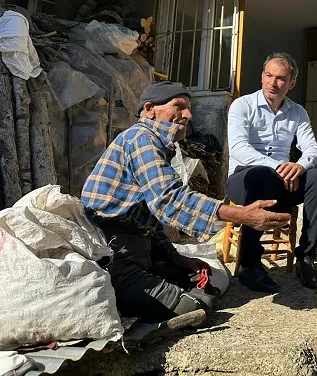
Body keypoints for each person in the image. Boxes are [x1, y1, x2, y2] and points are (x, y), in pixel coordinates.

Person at [81, 81, 290, 325]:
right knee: (196, 307)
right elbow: (169, 199)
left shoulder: (157, 144)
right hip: (116, 258)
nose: (188, 115)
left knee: (209, 278)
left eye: (189, 108)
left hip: (141, 252)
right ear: (149, 109)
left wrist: (174, 256)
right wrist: (242, 215)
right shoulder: (140, 139)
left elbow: (149, 218)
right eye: (179, 106)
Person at [225, 52, 317, 292]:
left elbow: (312, 148)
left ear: (291, 83)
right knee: (262, 175)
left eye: (281, 78)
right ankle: (249, 264)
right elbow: (240, 148)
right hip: (245, 179)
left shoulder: (298, 112)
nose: (273, 83)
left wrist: (300, 166)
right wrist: (279, 168)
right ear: (262, 77)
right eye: (269, 75)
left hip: (282, 182)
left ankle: (306, 257)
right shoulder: (243, 105)